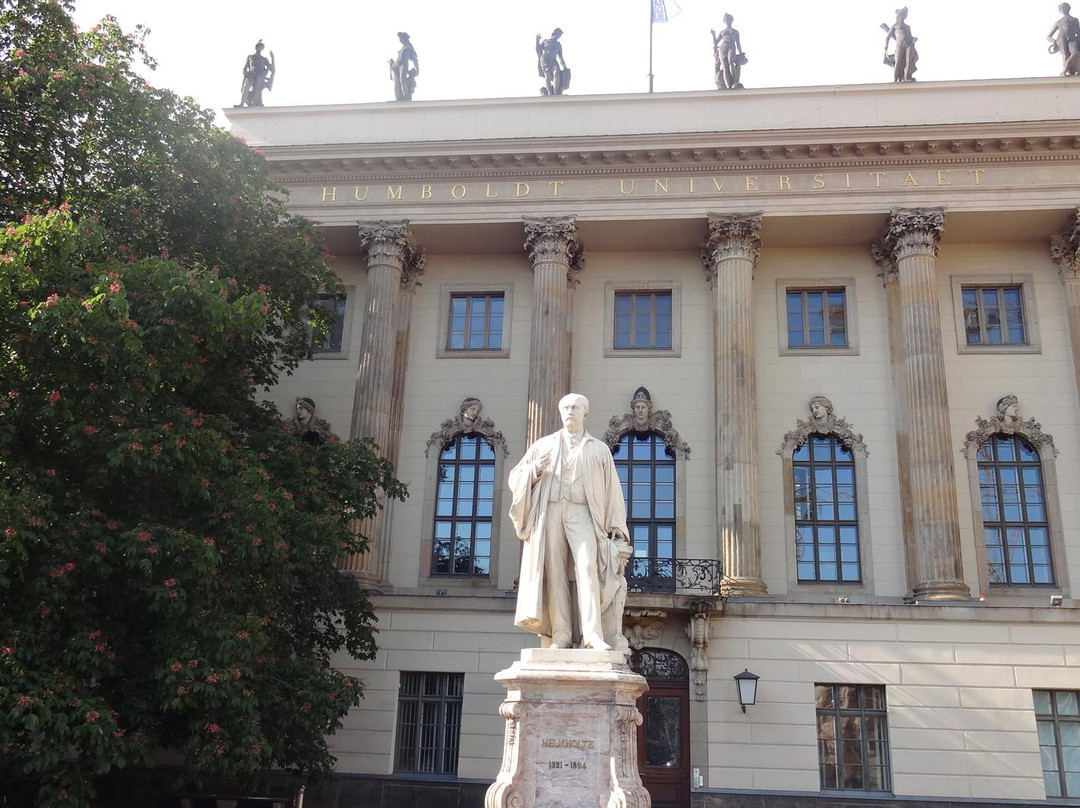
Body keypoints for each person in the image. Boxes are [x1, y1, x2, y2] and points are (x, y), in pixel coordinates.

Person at [509, 394, 630, 650]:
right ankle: (561, 634)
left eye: (575, 407)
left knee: (587, 567)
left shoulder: (598, 448)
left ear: (585, 413)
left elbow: (612, 489)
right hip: (550, 509)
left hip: (583, 512)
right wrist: (533, 471)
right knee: (555, 573)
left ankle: (592, 635)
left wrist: (617, 525)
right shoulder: (543, 445)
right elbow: (515, 476)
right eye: (565, 407)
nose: (570, 412)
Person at [883, 7, 918, 82]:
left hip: (909, 44)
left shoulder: (907, 27)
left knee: (908, 61)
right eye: (904, 15)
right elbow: (888, 37)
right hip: (899, 45)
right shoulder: (895, 25)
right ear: (900, 15)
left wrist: (914, 39)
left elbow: (910, 37)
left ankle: (907, 78)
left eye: (905, 15)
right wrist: (886, 46)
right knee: (898, 62)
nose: (904, 16)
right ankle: (895, 80)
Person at [711, 14, 745, 90]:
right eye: (726, 19)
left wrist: (740, 52)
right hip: (723, 46)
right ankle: (728, 85)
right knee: (725, 66)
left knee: (731, 62)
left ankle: (735, 82)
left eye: (728, 19)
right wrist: (713, 35)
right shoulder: (722, 32)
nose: (727, 20)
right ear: (725, 21)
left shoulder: (735, 31)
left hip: (732, 46)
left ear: (731, 20)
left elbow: (738, 43)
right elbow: (716, 42)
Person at [239, 41, 275, 107]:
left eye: (261, 47)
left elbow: (272, 69)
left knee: (257, 88)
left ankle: (254, 104)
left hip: (260, 75)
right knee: (246, 87)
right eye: (259, 47)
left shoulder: (264, 59)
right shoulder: (251, 57)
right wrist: (245, 72)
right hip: (251, 74)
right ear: (256, 47)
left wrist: (272, 58)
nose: (260, 48)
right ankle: (241, 104)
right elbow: (245, 68)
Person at [1048, 3, 1080, 76]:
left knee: (1075, 53)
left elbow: (1078, 32)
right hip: (1062, 39)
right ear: (1060, 10)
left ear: (1069, 8)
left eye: (1065, 7)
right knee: (1065, 56)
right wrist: (1054, 41)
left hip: (1072, 39)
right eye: (1062, 8)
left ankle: (1074, 69)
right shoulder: (1058, 22)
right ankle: (1065, 72)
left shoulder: (1075, 20)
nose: (1064, 9)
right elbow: (1048, 36)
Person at [536, 28, 570, 96]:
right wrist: (537, 40)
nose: (558, 36)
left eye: (559, 35)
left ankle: (555, 93)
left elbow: (560, 57)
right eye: (558, 34)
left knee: (556, 73)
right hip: (545, 59)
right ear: (554, 34)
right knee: (547, 75)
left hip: (553, 61)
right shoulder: (546, 41)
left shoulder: (558, 45)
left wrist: (564, 66)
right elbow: (538, 49)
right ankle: (550, 93)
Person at [389, 32, 419, 101]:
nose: (400, 40)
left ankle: (406, 98)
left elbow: (415, 59)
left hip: (403, 65)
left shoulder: (409, 47)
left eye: (401, 38)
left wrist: (417, 70)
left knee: (403, 80)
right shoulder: (402, 48)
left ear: (404, 38)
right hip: (396, 65)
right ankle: (399, 97)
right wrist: (392, 64)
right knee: (397, 82)